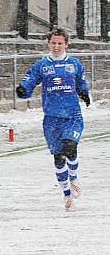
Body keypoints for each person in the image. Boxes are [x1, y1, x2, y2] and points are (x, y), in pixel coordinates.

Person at [16, 27, 90, 211]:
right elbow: (31, 79)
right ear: (48, 44)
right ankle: (66, 195)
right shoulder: (42, 65)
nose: (56, 46)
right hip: (51, 118)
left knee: (70, 147)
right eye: (53, 43)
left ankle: (74, 177)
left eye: (60, 43)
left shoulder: (74, 64)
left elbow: (81, 81)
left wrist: (84, 93)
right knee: (58, 157)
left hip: (72, 115)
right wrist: (24, 89)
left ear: (66, 44)